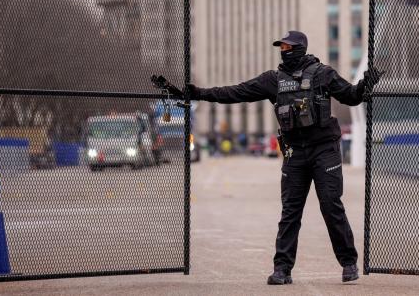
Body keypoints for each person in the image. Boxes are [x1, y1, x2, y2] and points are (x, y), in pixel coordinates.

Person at [156, 30, 382, 285]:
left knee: (331, 205)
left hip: (324, 150)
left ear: (300, 48)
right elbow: (235, 92)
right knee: (290, 212)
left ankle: (348, 262)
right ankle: (282, 269)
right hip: (295, 152)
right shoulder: (274, 80)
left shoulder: (323, 74)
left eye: (287, 47)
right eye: (281, 47)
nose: (283, 51)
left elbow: (351, 97)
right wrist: (197, 93)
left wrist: (365, 85)